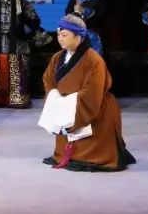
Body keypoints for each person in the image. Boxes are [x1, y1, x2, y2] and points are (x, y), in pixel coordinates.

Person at [38, 14, 135, 172]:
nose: (60, 39)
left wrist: (71, 101)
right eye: (58, 35)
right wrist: (56, 98)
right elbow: (48, 80)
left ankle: (92, 155)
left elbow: (93, 91)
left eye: (64, 35)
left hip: (94, 107)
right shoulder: (57, 57)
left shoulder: (93, 59)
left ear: (78, 37)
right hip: (65, 106)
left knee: (95, 147)